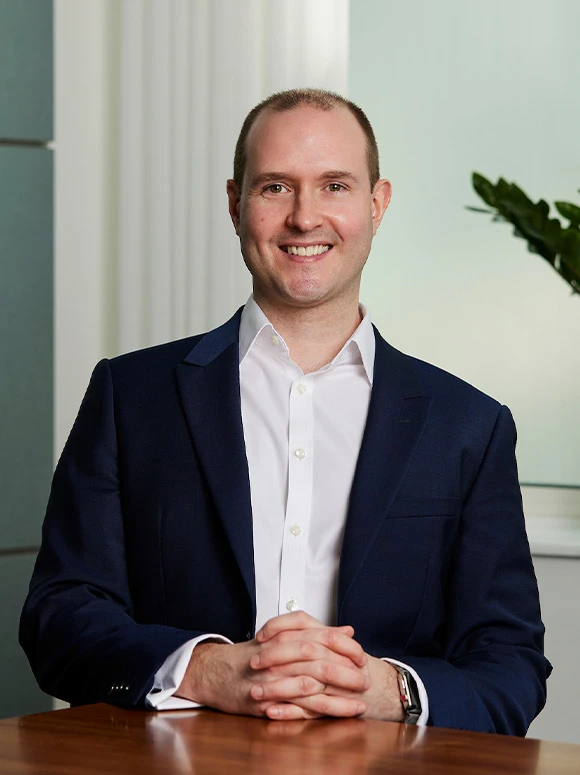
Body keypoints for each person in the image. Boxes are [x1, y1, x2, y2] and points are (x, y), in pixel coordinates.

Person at [20, 88, 550, 734]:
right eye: (275, 187)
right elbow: (59, 615)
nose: (305, 217)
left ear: (376, 204)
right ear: (235, 203)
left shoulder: (468, 424)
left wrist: (389, 690)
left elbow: (510, 665)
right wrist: (204, 668)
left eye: (334, 185)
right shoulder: (129, 395)